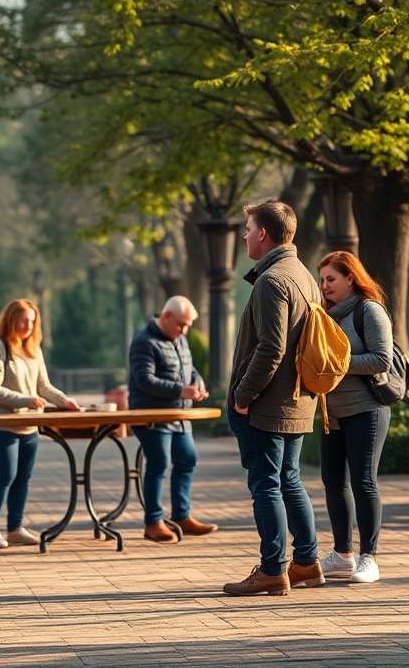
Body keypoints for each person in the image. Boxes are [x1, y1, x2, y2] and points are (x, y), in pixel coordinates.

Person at [222, 200, 325, 597]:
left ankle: (271, 570)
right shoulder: (304, 275)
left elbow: (271, 349)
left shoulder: (272, 280)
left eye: (248, 229)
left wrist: (242, 396)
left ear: (263, 233)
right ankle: (307, 563)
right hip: (297, 401)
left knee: (266, 484)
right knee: (290, 480)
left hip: (267, 404)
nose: (245, 235)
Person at [316, 251, 393, 584]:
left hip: (367, 410)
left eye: (331, 279)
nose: (325, 286)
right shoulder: (324, 315)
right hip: (331, 413)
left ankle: (369, 558)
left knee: (364, 482)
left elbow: (381, 359)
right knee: (333, 482)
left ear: (350, 277)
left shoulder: (369, 310)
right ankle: (343, 555)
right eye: (322, 280)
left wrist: (337, 365)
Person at [0, 299, 81, 549]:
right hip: (2, 424)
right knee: (5, 474)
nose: (29, 325)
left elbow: (43, 386)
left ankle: (14, 528)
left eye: (32, 321)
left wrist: (65, 401)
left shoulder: (32, 349)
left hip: (29, 425)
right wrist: (27, 400)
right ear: (11, 320)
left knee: (23, 477)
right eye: (24, 320)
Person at [128, 295, 218, 543]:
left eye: (188, 325)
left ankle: (181, 516)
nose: (185, 330)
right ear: (166, 317)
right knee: (159, 464)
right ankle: (153, 522)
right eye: (181, 324)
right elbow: (144, 380)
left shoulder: (179, 340)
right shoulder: (143, 342)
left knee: (187, 459)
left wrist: (197, 385)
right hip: (152, 417)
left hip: (179, 416)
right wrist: (180, 390)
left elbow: (190, 370)